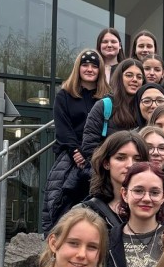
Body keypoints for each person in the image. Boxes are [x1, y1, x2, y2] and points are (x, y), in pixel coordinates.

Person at [41, 49, 107, 233]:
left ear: (100, 70)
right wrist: (75, 151)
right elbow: (63, 128)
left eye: (94, 66)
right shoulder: (64, 95)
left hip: (98, 157)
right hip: (71, 158)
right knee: (64, 202)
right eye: (85, 65)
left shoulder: (107, 98)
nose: (89, 69)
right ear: (78, 68)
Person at [81, 58, 144, 161]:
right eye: (129, 75)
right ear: (119, 78)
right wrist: (108, 166)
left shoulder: (145, 108)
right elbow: (89, 145)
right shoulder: (104, 105)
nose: (135, 79)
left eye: (139, 77)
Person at [84, 131, 148, 228]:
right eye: (121, 158)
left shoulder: (156, 206)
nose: (130, 165)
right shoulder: (87, 211)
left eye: (138, 159)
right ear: (106, 163)